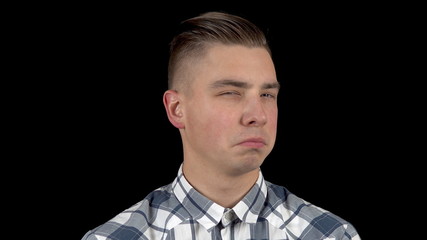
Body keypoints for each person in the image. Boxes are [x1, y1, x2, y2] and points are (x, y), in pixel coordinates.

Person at [81, 11, 361, 240]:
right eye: (231, 93)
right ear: (177, 110)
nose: (258, 116)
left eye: (267, 95)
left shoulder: (332, 235)